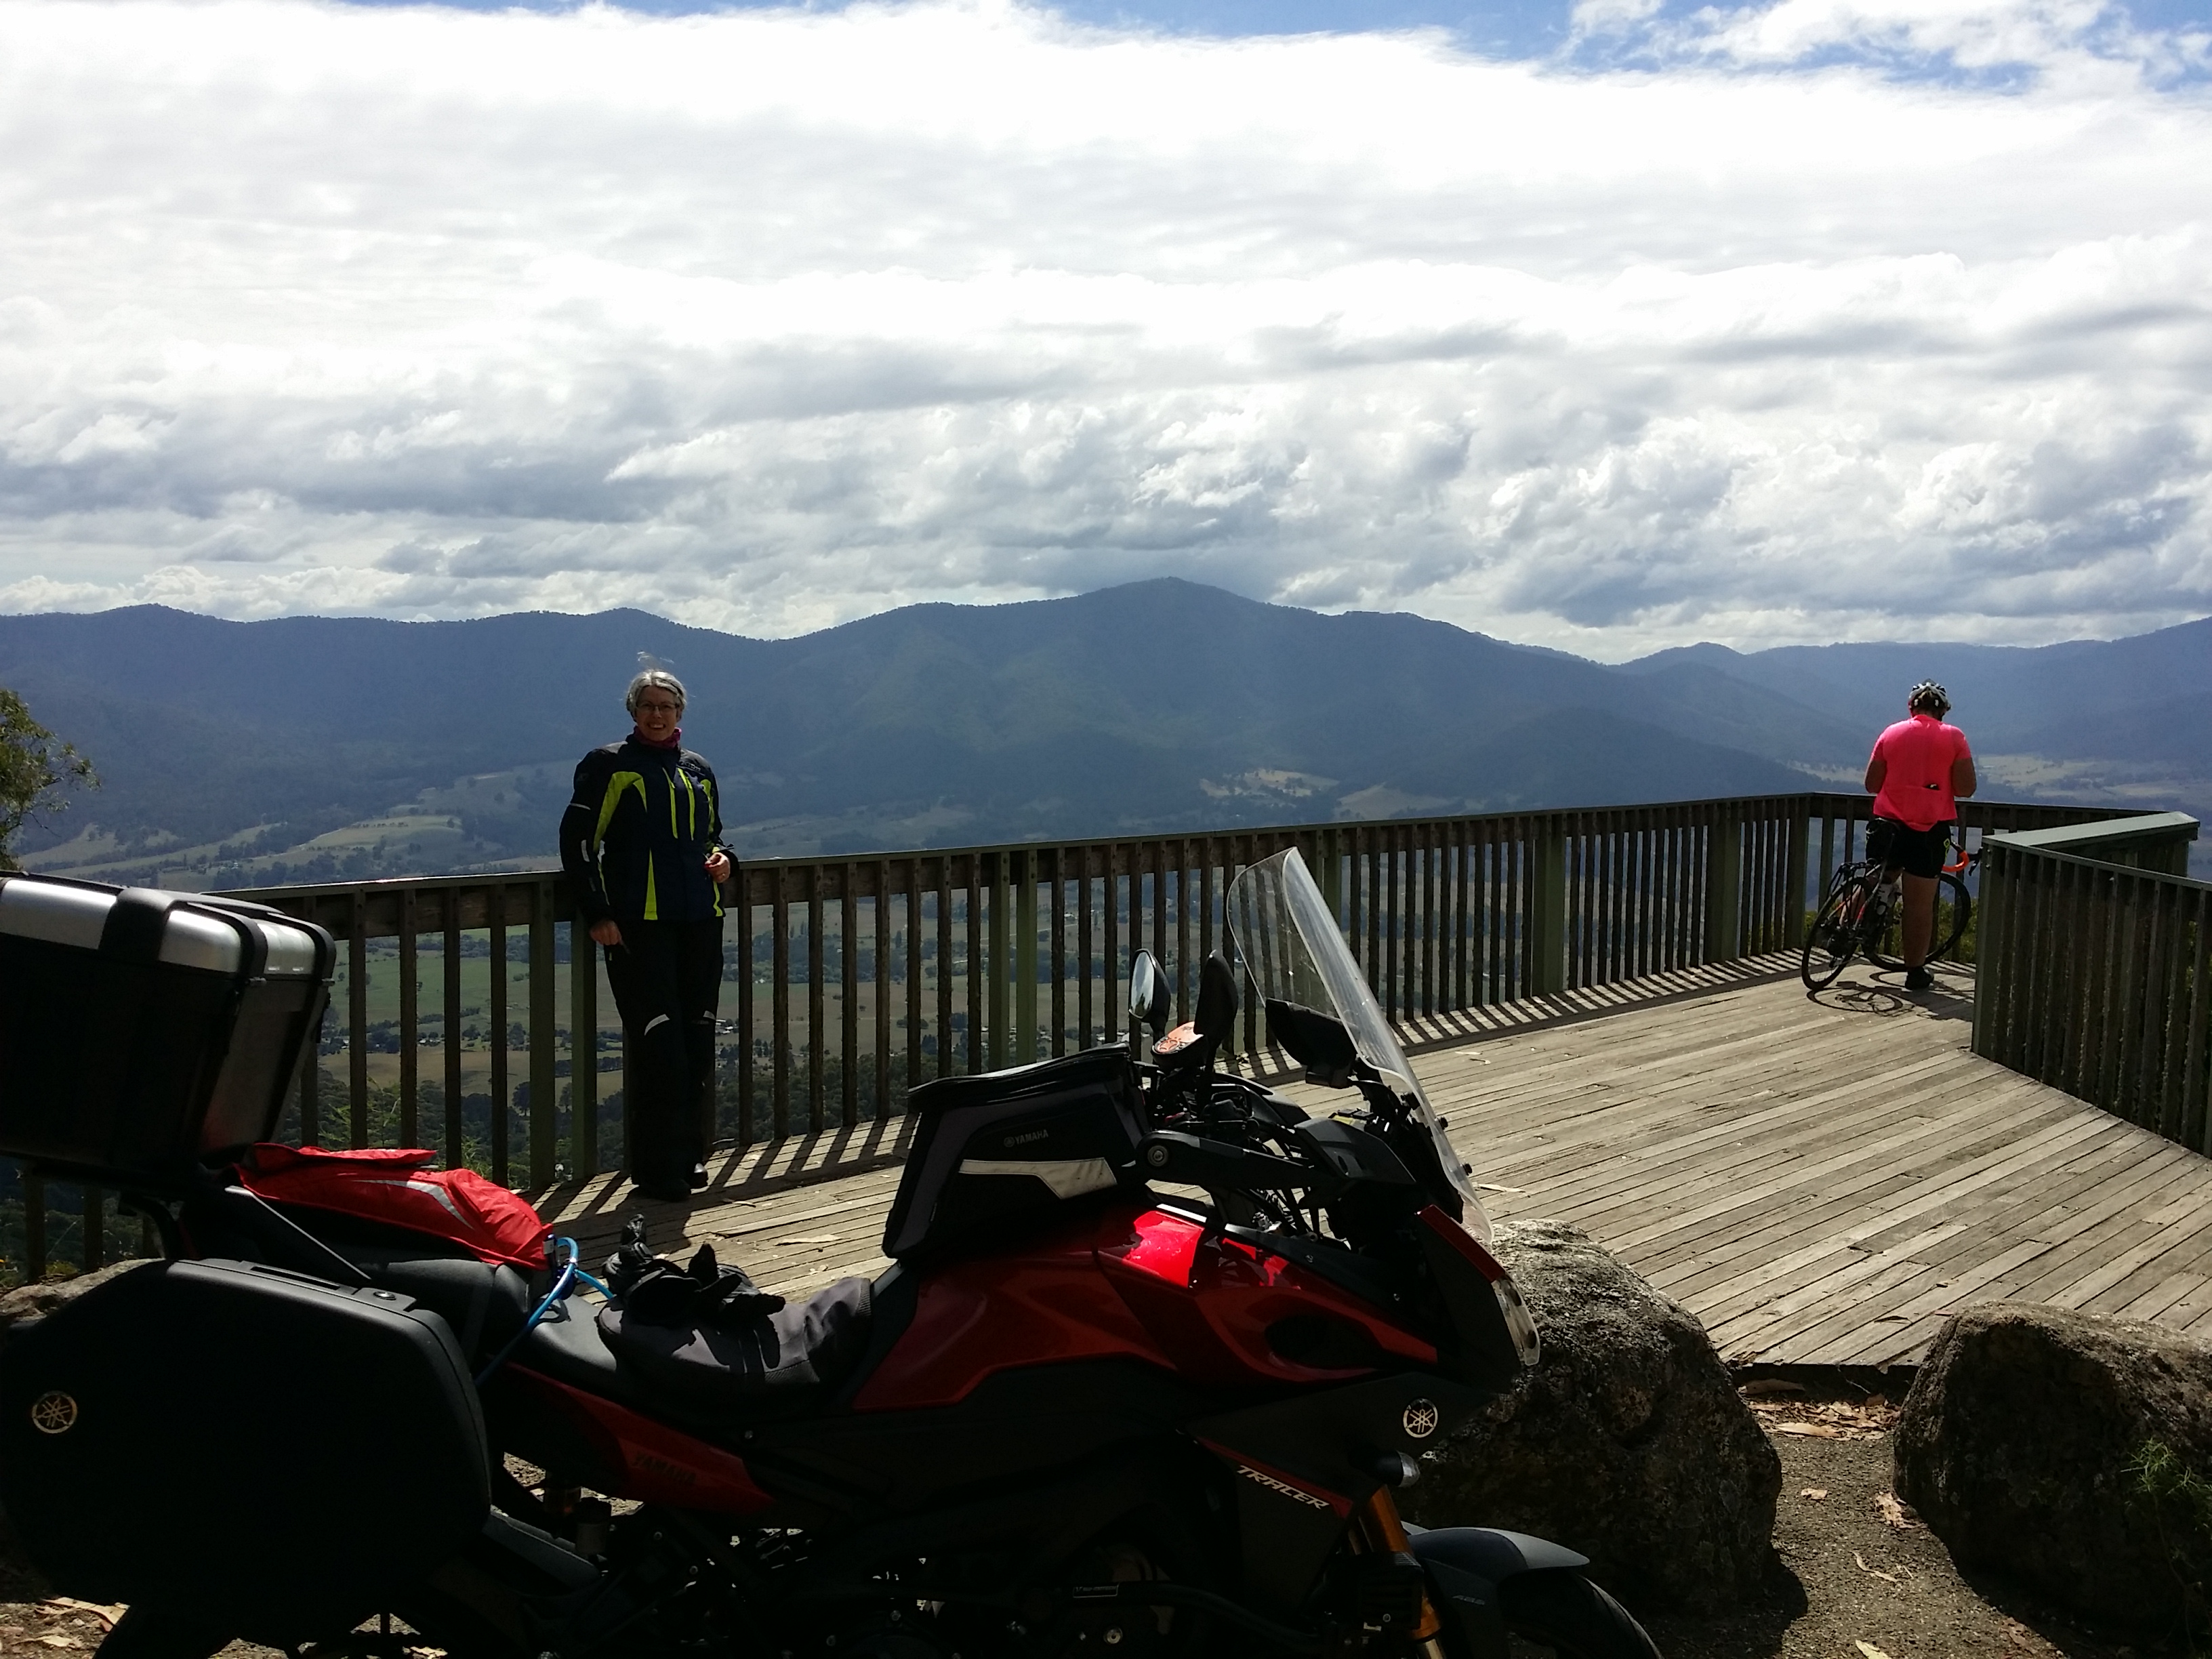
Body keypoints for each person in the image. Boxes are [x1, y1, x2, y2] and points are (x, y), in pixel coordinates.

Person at [559, 669, 735, 1201]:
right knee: (660, 1048)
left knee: (697, 1043)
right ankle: (657, 1171)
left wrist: (726, 860)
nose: (657, 715)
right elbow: (579, 843)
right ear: (633, 711)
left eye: (667, 706)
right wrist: (598, 913)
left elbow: (712, 836)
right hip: (639, 928)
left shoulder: (697, 769)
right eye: (648, 706)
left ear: (680, 712)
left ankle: (689, 1158)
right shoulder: (607, 765)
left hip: (699, 922)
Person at [1863, 680, 1976, 993]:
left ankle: (1841, 932)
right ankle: (1915, 972)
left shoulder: (1891, 733)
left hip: (1887, 824)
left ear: (1911, 707)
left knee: (1875, 880)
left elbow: (1872, 784)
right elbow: (1966, 788)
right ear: (1943, 710)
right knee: (1918, 906)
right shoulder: (1954, 737)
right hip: (1929, 831)